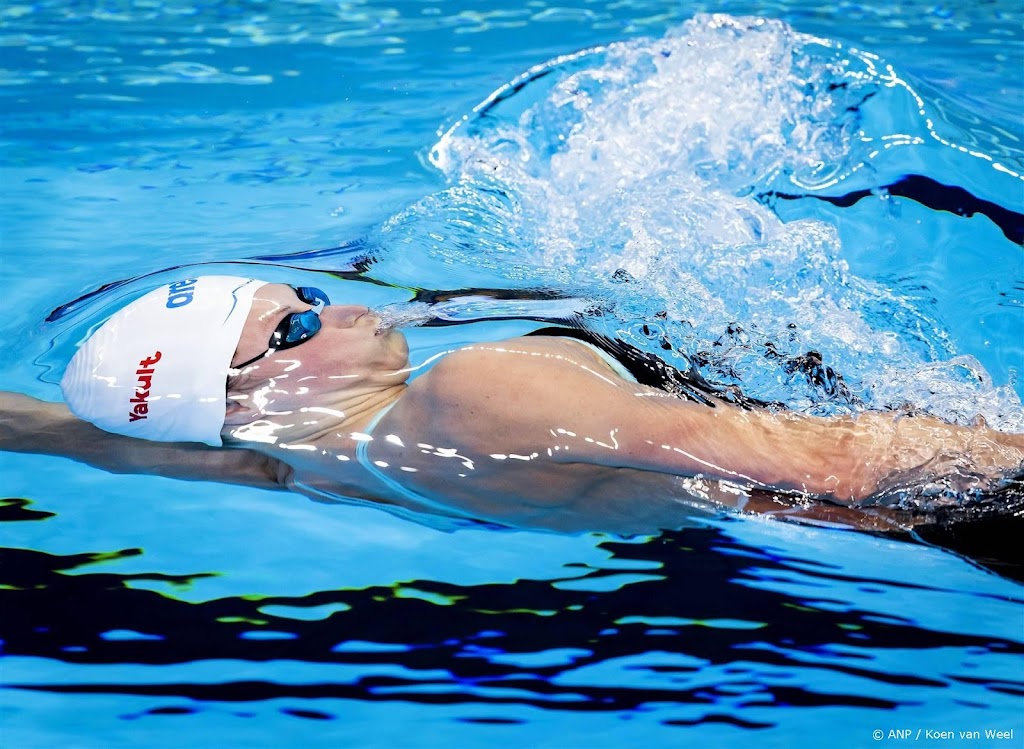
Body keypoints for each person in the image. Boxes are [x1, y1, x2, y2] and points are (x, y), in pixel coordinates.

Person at [2, 275, 1022, 535]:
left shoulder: (297, 464)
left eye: (306, 295)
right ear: (247, 387)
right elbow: (832, 462)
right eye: (301, 324)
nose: (341, 305)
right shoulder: (476, 389)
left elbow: (79, 436)